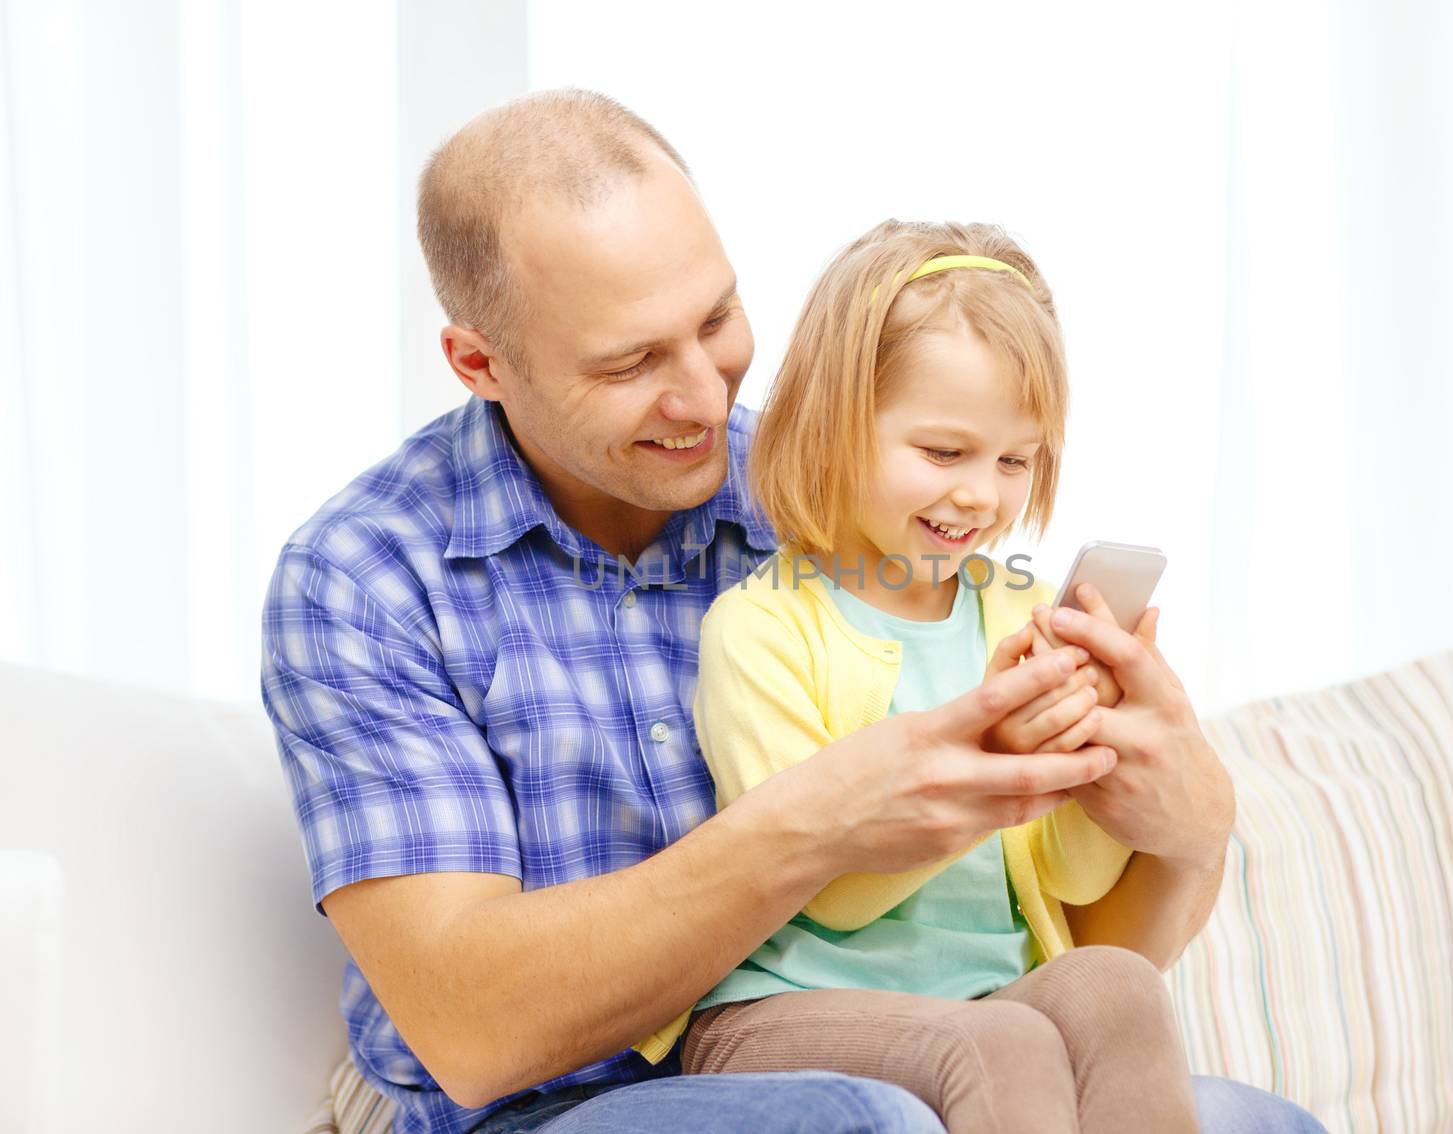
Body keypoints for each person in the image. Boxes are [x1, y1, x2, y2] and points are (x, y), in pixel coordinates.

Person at [260, 89, 1326, 1134]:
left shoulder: (838, 490)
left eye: (716, 319)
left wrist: (1178, 829)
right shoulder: (366, 578)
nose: (706, 396)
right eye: (632, 361)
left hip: (929, 1042)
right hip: (558, 1109)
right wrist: (821, 824)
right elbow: (474, 1031)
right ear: (478, 364)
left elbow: (1056, 942)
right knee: (870, 1123)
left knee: (1260, 1125)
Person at [674, 220, 1200, 1133]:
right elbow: (827, 892)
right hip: (779, 1009)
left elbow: (1067, 883)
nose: (981, 496)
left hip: (988, 995)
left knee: (1115, 982)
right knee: (1000, 1043)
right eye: (944, 453)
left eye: (1014, 460)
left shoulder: (1014, 613)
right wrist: (990, 771)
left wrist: (1090, 764)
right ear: (834, 429)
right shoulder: (763, 629)